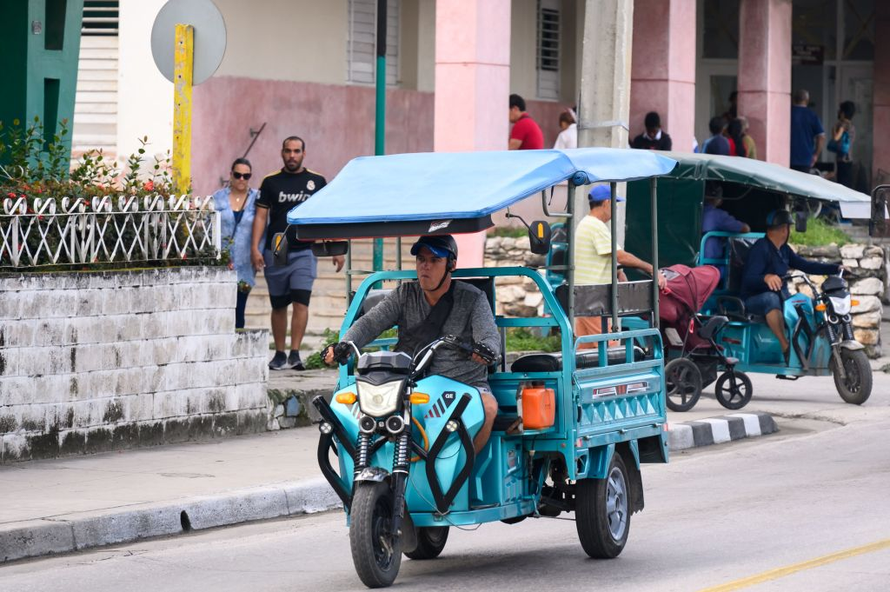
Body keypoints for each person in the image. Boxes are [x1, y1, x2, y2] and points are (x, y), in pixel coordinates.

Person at [323, 235, 500, 453]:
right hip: (410, 382)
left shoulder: (472, 298)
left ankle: (463, 473)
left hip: (461, 385)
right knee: (346, 407)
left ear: (451, 264)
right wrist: (344, 344)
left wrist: (487, 350)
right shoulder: (404, 295)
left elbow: (489, 336)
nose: (425, 266)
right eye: (421, 259)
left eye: (434, 260)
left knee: (489, 408)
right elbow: (370, 323)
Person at [251, 136, 345, 371]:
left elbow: (325, 215)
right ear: (282, 153)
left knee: (301, 302)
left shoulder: (316, 181)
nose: (292, 155)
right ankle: (280, 354)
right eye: (288, 151)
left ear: (304, 153)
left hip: (305, 251)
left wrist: (335, 246)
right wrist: (254, 248)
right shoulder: (270, 182)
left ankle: (295, 354)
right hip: (276, 250)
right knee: (279, 304)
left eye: (296, 151)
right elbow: (261, 217)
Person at [741, 210, 840, 362]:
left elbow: (807, 266)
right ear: (783, 229)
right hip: (753, 300)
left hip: (781, 296)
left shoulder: (784, 250)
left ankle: (811, 346)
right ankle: (785, 346)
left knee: (803, 303)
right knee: (770, 298)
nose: (788, 232)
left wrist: (835, 268)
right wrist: (765, 278)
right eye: (788, 228)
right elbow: (748, 279)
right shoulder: (760, 249)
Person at [574, 185, 666, 344]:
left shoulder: (585, 223)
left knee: (586, 353)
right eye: (614, 204)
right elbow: (620, 256)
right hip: (593, 299)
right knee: (610, 349)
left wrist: (618, 272)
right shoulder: (596, 226)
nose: (615, 209)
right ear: (606, 203)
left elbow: (601, 255)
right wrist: (652, 269)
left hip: (581, 297)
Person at [213, 158, 260, 330]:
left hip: (245, 262)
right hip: (222, 261)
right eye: (238, 175)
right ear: (231, 175)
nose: (241, 179)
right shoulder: (218, 198)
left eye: (246, 176)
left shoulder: (258, 199)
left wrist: (259, 253)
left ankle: (236, 343)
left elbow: (263, 228)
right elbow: (209, 226)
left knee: (239, 308)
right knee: (221, 306)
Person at [701, 183, 750, 279]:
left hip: (695, 263)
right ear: (717, 198)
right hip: (710, 265)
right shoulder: (717, 215)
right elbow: (744, 229)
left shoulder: (697, 211)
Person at [790, 89, 825, 173]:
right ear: (807, 100)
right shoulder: (812, 116)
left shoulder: (787, 113)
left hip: (787, 157)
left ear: (793, 99)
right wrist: (816, 154)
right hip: (805, 159)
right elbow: (821, 137)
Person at [830, 101, 856, 188]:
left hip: (843, 159)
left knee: (842, 184)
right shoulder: (851, 125)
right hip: (849, 158)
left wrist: (833, 129)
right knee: (847, 184)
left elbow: (836, 138)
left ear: (843, 112)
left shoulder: (843, 124)